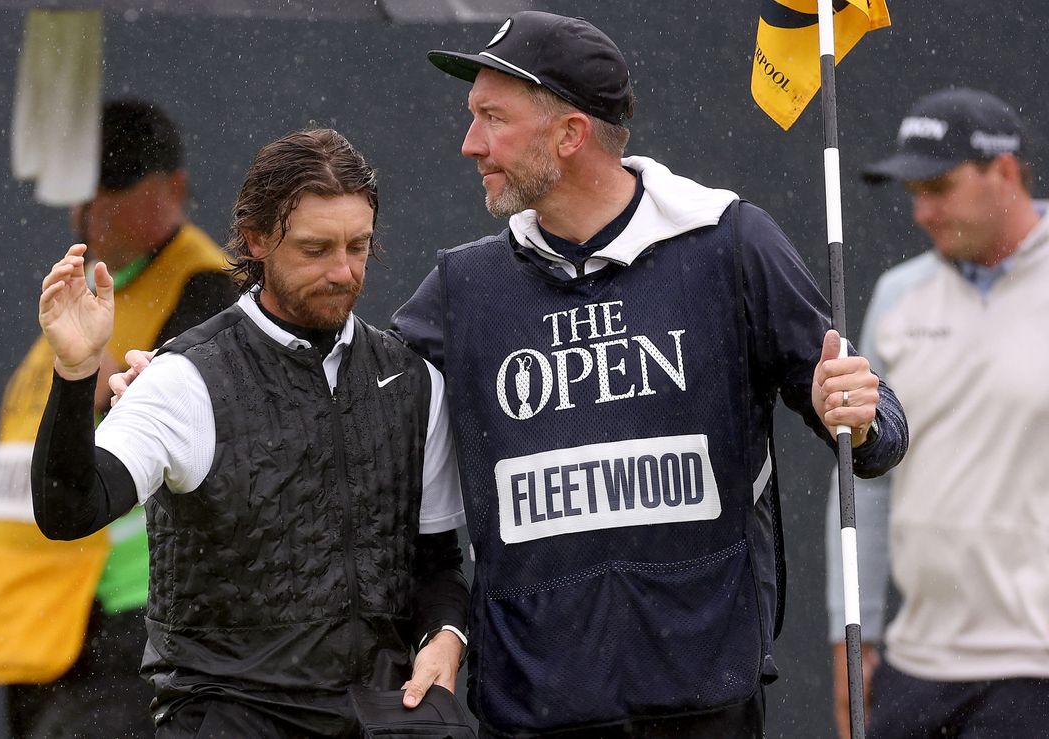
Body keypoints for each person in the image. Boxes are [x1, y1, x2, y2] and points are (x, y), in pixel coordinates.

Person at [386, 12, 909, 737]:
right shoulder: (460, 286)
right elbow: (354, 410)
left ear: (570, 135)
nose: (469, 143)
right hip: (534, 705)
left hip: (706, 697)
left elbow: (877, 436)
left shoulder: (730, 241)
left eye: (491, 118)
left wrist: (859, 413)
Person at [31, 128, 471, 737]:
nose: (343, 272)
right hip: (231, 716)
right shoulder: (182, 379)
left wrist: (445, 637)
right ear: (257, 239)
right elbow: (68, 509)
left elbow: (437, 561)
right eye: (316, 249)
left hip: (381, 719)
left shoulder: (415, 381)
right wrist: (77, 373)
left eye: (358, 247)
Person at [0, 99, 239, 738]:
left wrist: (106, 377)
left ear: (174, 189)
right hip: (41, 625)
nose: (88, 211)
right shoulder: (94, 285)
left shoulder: (209, 294)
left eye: (113, 190)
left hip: (124, 624)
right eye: (82, 191)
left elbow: (199, 437)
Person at [825, 88, 1049, 739]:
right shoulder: (899, 295)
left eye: (940, 187)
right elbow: (865, 479)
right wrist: (850, 633)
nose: (922, 211)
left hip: (1036, 668)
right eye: (914, 192)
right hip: (914, 670)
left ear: (1003, 172)